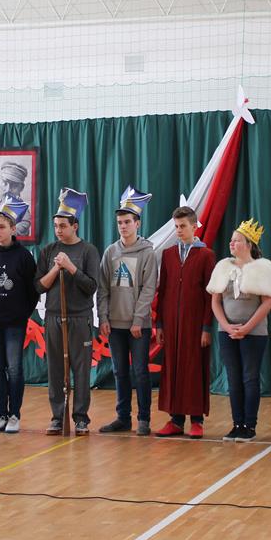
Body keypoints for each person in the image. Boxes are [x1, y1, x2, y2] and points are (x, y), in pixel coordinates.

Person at [36, 187, 100, 435]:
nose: (58, 230)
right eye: (55, 226)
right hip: (54, 317)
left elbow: (91, 286)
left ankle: (81, 417)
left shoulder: (88, 251)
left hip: (79, 317)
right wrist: (55, 269)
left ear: (75, 226)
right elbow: (39, 286)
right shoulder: (48, 251)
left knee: (81, 370)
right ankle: (57, 416)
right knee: (55, 368)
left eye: (63, 226)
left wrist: (71, 268)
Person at [208, 218, 271, 442]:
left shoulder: (263, 267)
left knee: (250, 377)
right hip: (227, 332)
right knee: (233, 378)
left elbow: (267, 303)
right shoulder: (223, 267)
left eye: (237, 240)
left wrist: (246, 328)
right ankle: (237, 424)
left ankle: (250, 425)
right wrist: (226, 326)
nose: (232, 243)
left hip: (253, 334)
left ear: (249, 245)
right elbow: (215, 301)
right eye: (231, 240)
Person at [97, 186, 158, 436]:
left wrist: (138, 319)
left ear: (137, 224)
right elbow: (103, 287)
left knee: (140, 372)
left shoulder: (147, 252)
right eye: (120, 223)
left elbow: (149, 289)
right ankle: (123, 418)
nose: (123, 226)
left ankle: (144, 419)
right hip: (114, 324)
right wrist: (103, 317)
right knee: (119, 371)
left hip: (137, 326)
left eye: (127, 222)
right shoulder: (111, 252)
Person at [153, 205, 217, 439]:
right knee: (173, 369)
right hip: (171, 324)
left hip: (195, 324)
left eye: (183, 226)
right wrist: (160, 324)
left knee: (193, 369)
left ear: (194, 226)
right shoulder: (168, 254)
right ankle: (176, 420)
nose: (179, 230)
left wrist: (206, 327)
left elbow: (210, 295)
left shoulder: (206, 255)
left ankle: (197, 420)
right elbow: (163, 291)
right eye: (176, 226)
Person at [0, 196, 39, 434]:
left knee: (14, 368)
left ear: (13, 229)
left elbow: (32, 291)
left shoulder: (23, 257)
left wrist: (21, 313)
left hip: (14, 322)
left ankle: (14, 415)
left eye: (1, 227)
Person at [0, 161, 32, 238]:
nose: (8, 189)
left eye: (14, 186)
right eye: (5, 183)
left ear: (21, 188)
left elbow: (18, 231)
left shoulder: (23, 210)